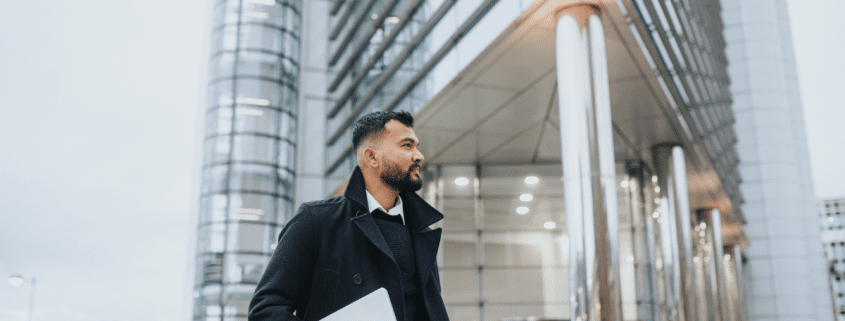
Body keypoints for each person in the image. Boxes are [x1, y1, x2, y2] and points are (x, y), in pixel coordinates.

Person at [248, 111, 449, 321]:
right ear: (372, 157)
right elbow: (266, 309)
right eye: (407, 145)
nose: (419, 156)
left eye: (416, 146)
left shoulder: (422, 231)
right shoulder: (316, 221)